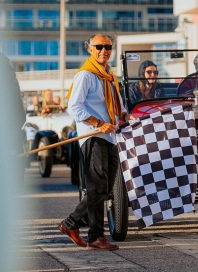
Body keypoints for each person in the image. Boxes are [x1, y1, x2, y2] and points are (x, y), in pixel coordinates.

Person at [58, 34, 129, 250]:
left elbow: (117, 105)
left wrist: (124, 116)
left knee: (106, 189)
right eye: (99, 47)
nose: (103, 51)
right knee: (98, 187)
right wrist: (98, 122)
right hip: (92, 137)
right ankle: (95, 236)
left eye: (108, 47)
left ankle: (73, 224)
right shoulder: (86, 75)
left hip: (110, 137)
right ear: (90, 48)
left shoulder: (109, 75)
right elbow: (74, 107)